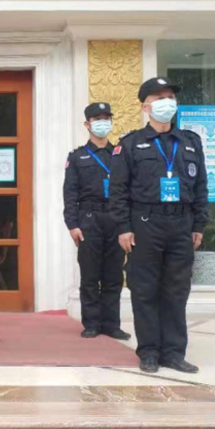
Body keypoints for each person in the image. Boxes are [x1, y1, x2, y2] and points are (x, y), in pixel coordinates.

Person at [110, 77, 208, 374]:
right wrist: (123, 227)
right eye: (160, 98)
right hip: (145, 223)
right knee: (145, 289)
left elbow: (201, 186)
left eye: (170, 97)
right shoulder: (130, 144)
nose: (167, 103)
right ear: (146, 107)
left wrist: (199, 224)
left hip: (181, 224)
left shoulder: (190, 142)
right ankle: (149, 351)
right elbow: (118, 191)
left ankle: (174, 353)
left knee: (177, 290)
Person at [63, 103, 131, 341]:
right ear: (87, 124)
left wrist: (127, 224)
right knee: (90, 275)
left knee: (114, 275)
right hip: (89, 219)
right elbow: (70, 193)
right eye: (97, 119)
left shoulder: (120, 155)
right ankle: (91, 323)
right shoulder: (77, 157)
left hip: (116, 218)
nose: (103, 123)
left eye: (106, 118)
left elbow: (130, 190)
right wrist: (72, 224)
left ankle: (112, 324)